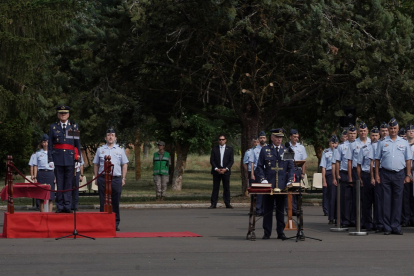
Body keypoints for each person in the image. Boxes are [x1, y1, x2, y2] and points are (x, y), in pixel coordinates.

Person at [375, 118, 412, 235]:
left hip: (399, 174)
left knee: (398, 200)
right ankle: (387, 227)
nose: (392, 130)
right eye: (390, 128)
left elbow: (408, 160)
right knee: (386, 201)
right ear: (388, 129)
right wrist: (377, 174)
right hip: (385, 173)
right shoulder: (382, 142)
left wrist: (408, 174)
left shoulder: (404, 142)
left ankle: (396, 226)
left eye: (394, 128)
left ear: (397, 128)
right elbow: (377, 160)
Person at [255, 128, 294, 240]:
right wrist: (263, 180)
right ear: (272, 138)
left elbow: (291, 167)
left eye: (281, 137)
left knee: (280, 210)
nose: (279, 139)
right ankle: (267, 232)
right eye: (277, 137)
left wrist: (290, 180)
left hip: (282, 185)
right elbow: (259, 167)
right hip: (269, 184)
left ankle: (280, 232)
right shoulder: (265, 150)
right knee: (267, 209)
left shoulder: (287, 150)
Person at [93, 127, 129, 231]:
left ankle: (115, 223)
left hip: (116, 179)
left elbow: (124, 164)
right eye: (108, 135)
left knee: (115, 201)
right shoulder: (100, 150)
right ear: (105, 137)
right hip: (103, 178)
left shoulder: (120, 150)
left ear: (115, 138)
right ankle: (102, 222)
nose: (110, 137)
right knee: (103, 201)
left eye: (112, 135)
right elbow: (96, 164)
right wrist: (96, 177)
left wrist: (124, 178)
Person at [48, 105, 80, 213]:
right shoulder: (53, 127)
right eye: (61, 113)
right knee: (60, 182)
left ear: (68, 114)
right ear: (58, 115)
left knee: (69, 183)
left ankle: (67, 205)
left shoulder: (73, 126)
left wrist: (78, 159)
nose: (63, 115)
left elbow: (77, 144)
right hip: (58, 158)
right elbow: (50, 145)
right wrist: (50, 159)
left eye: (65, 113)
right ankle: (60, 206)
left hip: (70, 158)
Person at [346, 121, 371, 227]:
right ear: (358, 132)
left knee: (368, 198)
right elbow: (350, 161)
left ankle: (367, 221)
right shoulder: (353, 144)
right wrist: (350, 177)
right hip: (356, 171)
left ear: (367, 131)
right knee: (357, 198)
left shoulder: (371, 142)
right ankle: (357, 220)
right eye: (361, 131)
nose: (363, 133)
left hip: (368, 172)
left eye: (364, 131)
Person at [333, 124, 355, 227]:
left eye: (353, 133)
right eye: (349, 134)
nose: (352, 135)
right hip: (344, 173)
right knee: (345, 198)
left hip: (356, 173)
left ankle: (355, 219)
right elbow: (337, 162)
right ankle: (345, 220)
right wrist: (337, 175)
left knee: (356, 198)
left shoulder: (359, 144)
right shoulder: (341, 147)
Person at [356, 128, 376, 231]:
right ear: (370, 136)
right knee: (367, 201)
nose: (374, 137)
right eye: (373, 135)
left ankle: (377, 222)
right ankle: (367, 223)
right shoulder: (364, 148)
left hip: (378, 176)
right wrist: (360, 178)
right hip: (366, 175)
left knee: (378, 201)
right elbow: (359, 165)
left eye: (376, 135)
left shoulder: (380, 147)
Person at [209, 134, 234, 209]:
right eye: (220, 139)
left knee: (226, 187)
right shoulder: (214, 149)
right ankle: (213, 203)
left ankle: (227, 203)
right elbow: (212, 160)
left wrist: (226, 169)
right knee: (215, 187)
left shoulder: (229, 149)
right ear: (218, 140)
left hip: (225, 171)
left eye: (223, 139)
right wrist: (216, 168)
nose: (221, 141)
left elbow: (231, 160)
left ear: (225, 140)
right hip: (216, 171)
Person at [286, 129, 307, 216]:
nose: (296, 139)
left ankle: (298, 209)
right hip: (289, 170)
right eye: (294, 137)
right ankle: (290, 209)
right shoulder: (287, 147)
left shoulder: (301, 147)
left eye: (297, 137)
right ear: (290, 137)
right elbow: (286, 161)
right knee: (290, 190)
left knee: (298, 191)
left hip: (298, 170)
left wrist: (303, 173)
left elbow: (303, 161)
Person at [33, 134, 55, 212]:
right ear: (42, 143)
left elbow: (55, 166)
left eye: (47, 142)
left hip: (50, 174)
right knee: (41, 196)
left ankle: (49, 214)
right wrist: (35, 177)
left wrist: (55, 177)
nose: (46, 144)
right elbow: (35, 166)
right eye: (44, 142)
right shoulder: (38, 153)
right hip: (41, 174)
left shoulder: (53, 152)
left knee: (51, 196)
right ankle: (42, 214)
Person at [320, 135, 338, 224]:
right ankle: (331, 217)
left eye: (335, 143)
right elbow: (323, 167)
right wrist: (324, 180)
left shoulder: (340, 151)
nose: (334, 145)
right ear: (329, 143)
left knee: (337, 197)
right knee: (332, 196)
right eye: (332, 143)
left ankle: (337, 216)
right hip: (330, 173)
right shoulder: (326, 152)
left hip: (338, 173)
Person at [251, 131, 267, 216]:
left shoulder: (269, 148)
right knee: (260, 191)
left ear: (266, 138)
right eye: (261, 138)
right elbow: (252, 162)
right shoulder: (255, 149)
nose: (262, 139)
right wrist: (252, 174)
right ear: (258, 139)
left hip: (267, 171)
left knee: (267, 191)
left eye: (264, 138)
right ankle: (258, 209)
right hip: (258, 171)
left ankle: (266, 209)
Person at [406, 124, 414, 226]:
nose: (411, 132)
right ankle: (406, 218)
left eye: (413, 130)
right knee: (406, 197)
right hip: (405, 171)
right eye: (409, 130)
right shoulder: (403, 144)